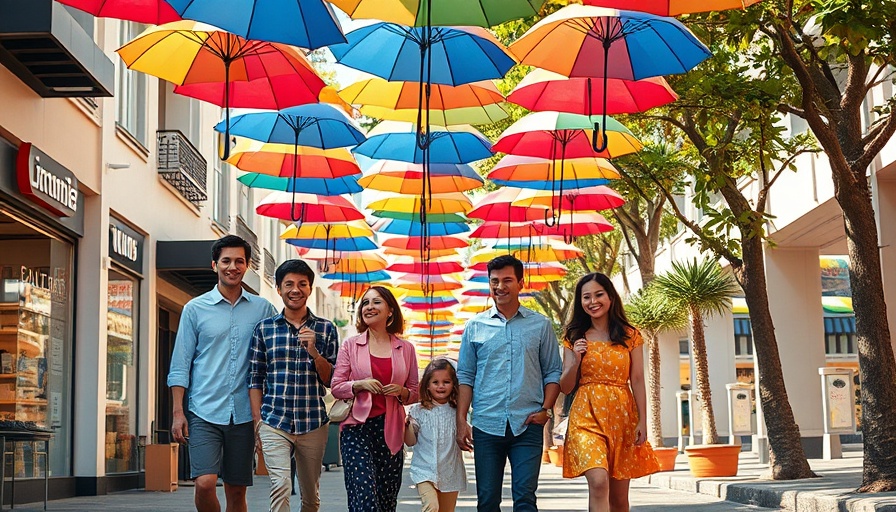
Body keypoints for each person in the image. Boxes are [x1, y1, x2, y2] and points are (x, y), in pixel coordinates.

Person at [167, 235, 276, 512]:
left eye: (239, 261)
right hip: (204, 411)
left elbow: (279, 348)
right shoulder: (195, 309)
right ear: (215, 264)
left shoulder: (263, 309)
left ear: (247, 265)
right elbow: (180, 364)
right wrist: (178, 412)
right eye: (226, 260)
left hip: (244, 413)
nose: (232, 266)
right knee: (204, 482)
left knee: (237, 491)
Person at [456, 255, 562, 512]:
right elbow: (465, 376)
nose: (500, 287)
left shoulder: (540, 325)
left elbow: (552, 371)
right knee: (488, 500)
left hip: (527, 424)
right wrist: (461, 420)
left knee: (525, 498)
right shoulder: (474, 326)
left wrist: (545, 410)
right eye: (494, 281)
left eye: (507, 280)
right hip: (486, 425)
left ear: (520, 283)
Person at [559, 273, 659, 512]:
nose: (593, 301)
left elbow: (636, 379)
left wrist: (643, 421)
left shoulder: (629, 335)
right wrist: (575, 360)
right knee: (599, 482)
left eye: (598, 294)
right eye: (586, 297)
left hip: (622, 416)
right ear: (580, 302)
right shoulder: (573, 336)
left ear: (611, 297)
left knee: (619, 500)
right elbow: (565, 386)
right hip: (586, 416)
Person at [248, 259, 339, 512]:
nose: (295, 289)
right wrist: (258, 422)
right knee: (281, 485)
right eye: (289, 284)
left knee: (311, 497)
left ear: (309, 289)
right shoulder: (264, 329)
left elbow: (332, 380)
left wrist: (315, 353)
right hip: (274, 421)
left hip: (313, 422)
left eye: (302, 284)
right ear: (279, 289)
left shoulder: (326, 329)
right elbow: (255, 377)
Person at [331, 286, 419, 512]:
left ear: (390, 310)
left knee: (386, 500)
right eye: (365, 303)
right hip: (356, 429)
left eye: (376, 302)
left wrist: (401, 391)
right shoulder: (351, 345)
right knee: (364, 495)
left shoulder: (406, 348)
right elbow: (336, 387)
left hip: (391, 430)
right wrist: (358, 385)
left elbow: (415, 392)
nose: (369, 307)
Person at [404, 359, 467, 512]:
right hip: (424, 471)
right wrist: (407, 426)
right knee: (431, 507)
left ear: (454, 385)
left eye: (446, 382)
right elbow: (410, 442)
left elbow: (466, 434)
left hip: (450, 472)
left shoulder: (457, 412)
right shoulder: (418, 411)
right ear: (427, 385)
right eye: (435, 382)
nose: (440, 386)